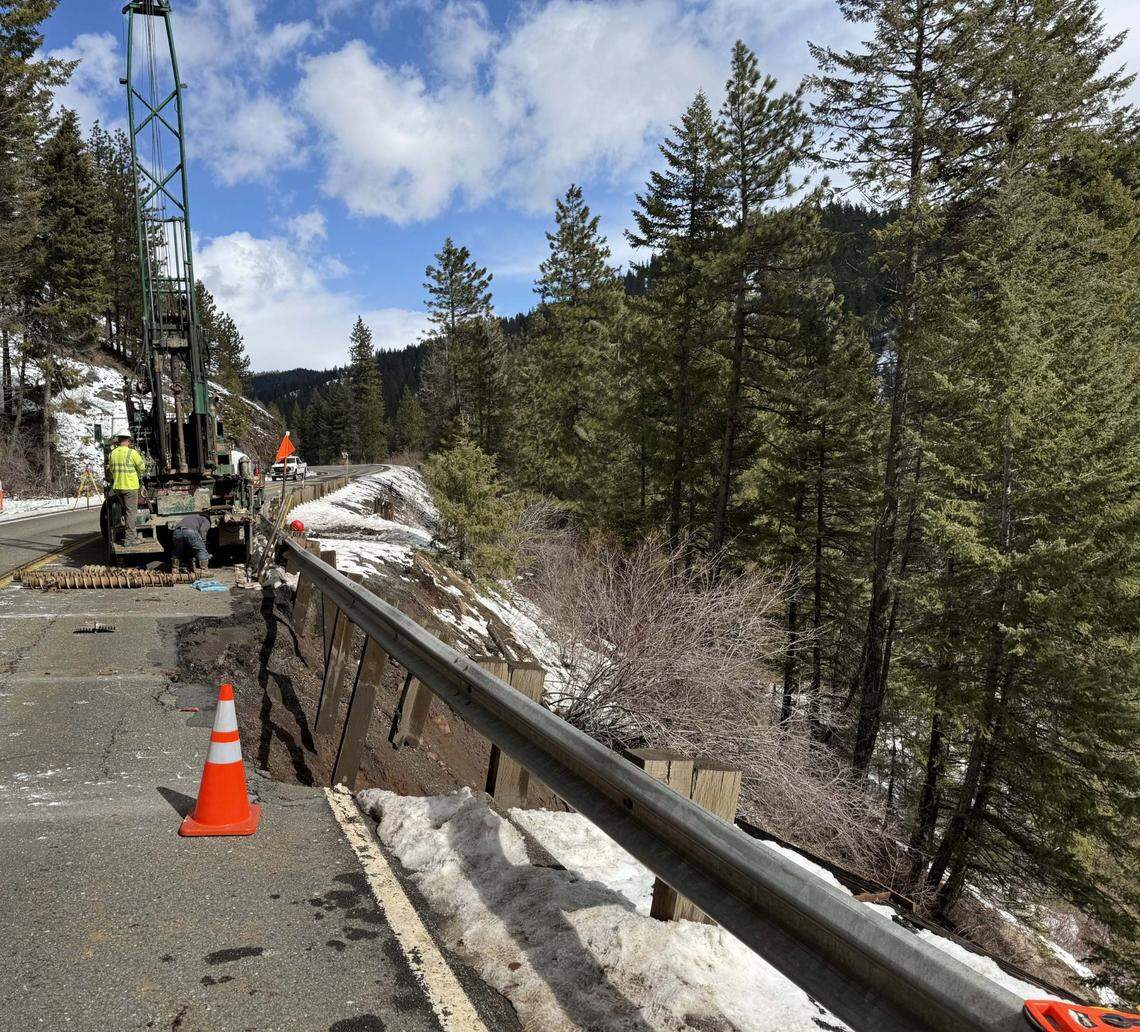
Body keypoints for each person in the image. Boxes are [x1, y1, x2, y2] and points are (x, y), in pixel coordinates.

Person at [106, 433, 147, 546]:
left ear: (119, 441)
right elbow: (142, 467)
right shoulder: (132, 452)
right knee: (131, 513)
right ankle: (130, 539)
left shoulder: (112, 453)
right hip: (130, 487)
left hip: (118, 487)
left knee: (126, 512)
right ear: (128, 441)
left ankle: (131, 536)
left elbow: (111, 469)